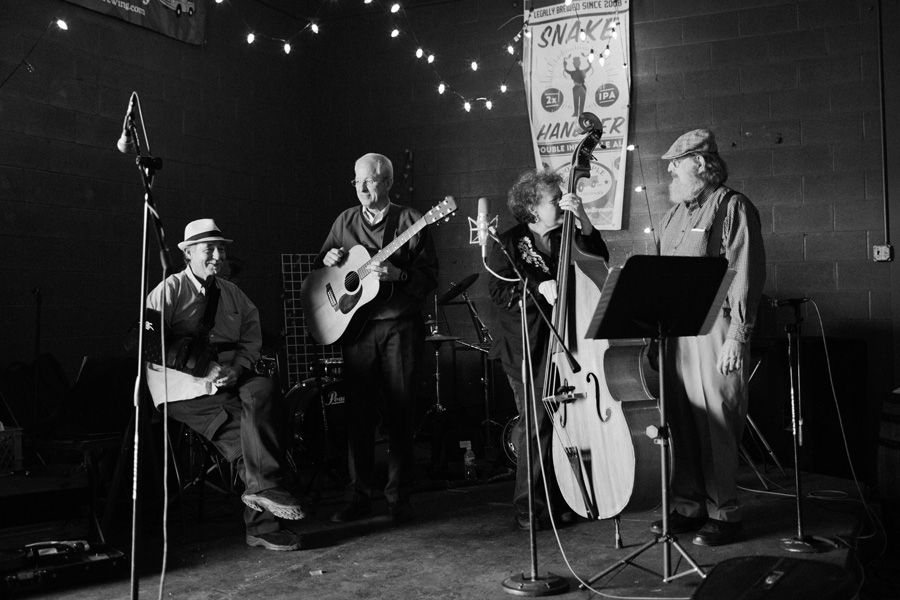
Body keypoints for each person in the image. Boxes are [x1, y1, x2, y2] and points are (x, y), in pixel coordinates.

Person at [146, 218, 306, 552]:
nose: (218, 255)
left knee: (264, 389)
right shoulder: (169, 290)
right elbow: (149, 342)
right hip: (184, 390)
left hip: (229, 378)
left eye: (222, 248)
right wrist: (204, 368)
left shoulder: (232, 292)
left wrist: (240, 367)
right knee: (245, 437)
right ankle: (262, 526)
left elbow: (252, 333)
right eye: (210, 249)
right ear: (189, 253)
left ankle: (262, 489)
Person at [653, 129, 766, 546]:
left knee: (716, 419)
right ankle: (689, 506)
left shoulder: (732, 206)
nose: (669, 169)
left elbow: (745, 272)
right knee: (681, 418)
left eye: (676, 161)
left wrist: (737, 336)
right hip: (676, 333)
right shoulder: (673, 215)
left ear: (700, 164)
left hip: (716, 329)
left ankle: (726, 513)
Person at [314, 152, 439, 524]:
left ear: (387, 182)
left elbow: (429, 277)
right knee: (358, 416)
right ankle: (358, 496)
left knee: (401, 412)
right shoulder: (344, 220)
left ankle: (399, 497)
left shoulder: (412, 220)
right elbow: (324, 264)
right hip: (357, 329)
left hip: (399, 327)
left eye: (370, 181)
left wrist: (397, 276)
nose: (363, 188)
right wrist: (329, 257)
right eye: (357, 181)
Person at [488, 168, 609, 530]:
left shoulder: (565, 234)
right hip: (525, 346)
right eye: (555, 200)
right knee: (536, 424)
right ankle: (529, 507)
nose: (561, 203)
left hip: (565, 342)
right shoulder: (507, 242)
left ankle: (560, 500)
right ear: (532, 207)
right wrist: (537, 289)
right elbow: (498, 292)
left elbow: (597, 253)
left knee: (562, 423)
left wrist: (582, 215)